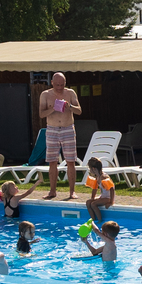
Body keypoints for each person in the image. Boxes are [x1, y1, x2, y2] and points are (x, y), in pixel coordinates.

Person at [39, 72, 83, 200]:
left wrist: (70, 106)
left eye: (62, 85)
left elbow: (79, 111)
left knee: (70, 161)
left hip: (67, 128)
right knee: (52, 161)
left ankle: (72, 192)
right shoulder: (45, 94)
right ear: (52, 83)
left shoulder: (70, 93)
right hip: (52, 129)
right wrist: (53, 108)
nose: (59, 87)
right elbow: (41, 114)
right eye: (57, 85)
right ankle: (52, 191)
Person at [84, 158, 115, 224]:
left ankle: (100, 221)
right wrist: (92, 198)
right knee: (88, 202)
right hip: (103, 197)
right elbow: (94, 189)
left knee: (93, 204)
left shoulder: (104, 177)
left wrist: (111, 202)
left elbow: (112, 188)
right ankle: (92, 220)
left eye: (90, 168)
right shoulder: (97, 177)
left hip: (108, 198)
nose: (89, 170)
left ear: (94, 169)